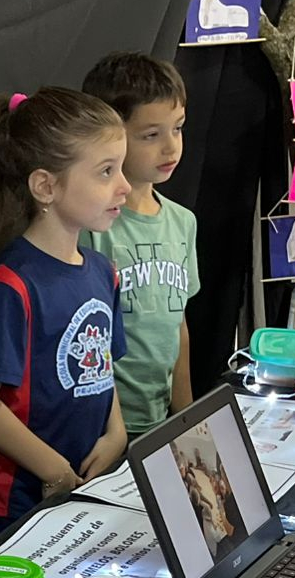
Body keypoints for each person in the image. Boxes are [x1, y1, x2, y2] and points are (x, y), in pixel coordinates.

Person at [0, 88, 131, 551]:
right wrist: (53, 469)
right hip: (9, 504)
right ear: (46, 186)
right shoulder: (12, 285)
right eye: (107, 172)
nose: (124, 186)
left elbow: (101, 367)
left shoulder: (103, 272)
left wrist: (117, 432)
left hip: (76, 492)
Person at [81, 52, 200, 438]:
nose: (171, 148)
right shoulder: (91, 227)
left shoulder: (183, 223)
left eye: (178, 129)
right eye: (151, 135)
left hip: (158, 422)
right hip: (99, 429)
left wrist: (186, 418)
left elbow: (177, 324)